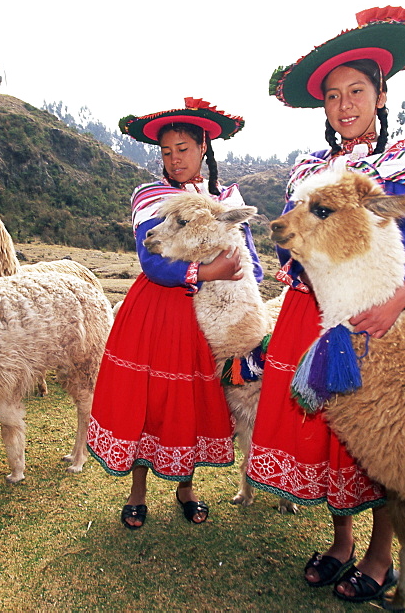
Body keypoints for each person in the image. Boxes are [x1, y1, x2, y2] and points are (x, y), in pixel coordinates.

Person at [246, 7, 405, 602]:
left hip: (383, 317)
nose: (344, 104)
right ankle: (341, 541)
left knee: (381, 437)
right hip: (314, 317)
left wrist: (399, 302)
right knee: (333, 437)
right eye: (333, 96)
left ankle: (380, 555)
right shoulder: (311, 174)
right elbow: (297, 246)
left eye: (356, 90)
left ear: (380, 95)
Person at [87, 97, 263, 529]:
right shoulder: (151, 197)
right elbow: (154, 262)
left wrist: (237, 280)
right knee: (152, 401)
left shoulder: (225, 199)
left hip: (208, 321)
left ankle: (186, 486)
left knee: (191, 402)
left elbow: (250, 259)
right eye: (166, 152)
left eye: (183, 149)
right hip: (160, 313)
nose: (174, 159)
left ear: (203, 147)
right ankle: (138, 490)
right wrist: (206, 270)